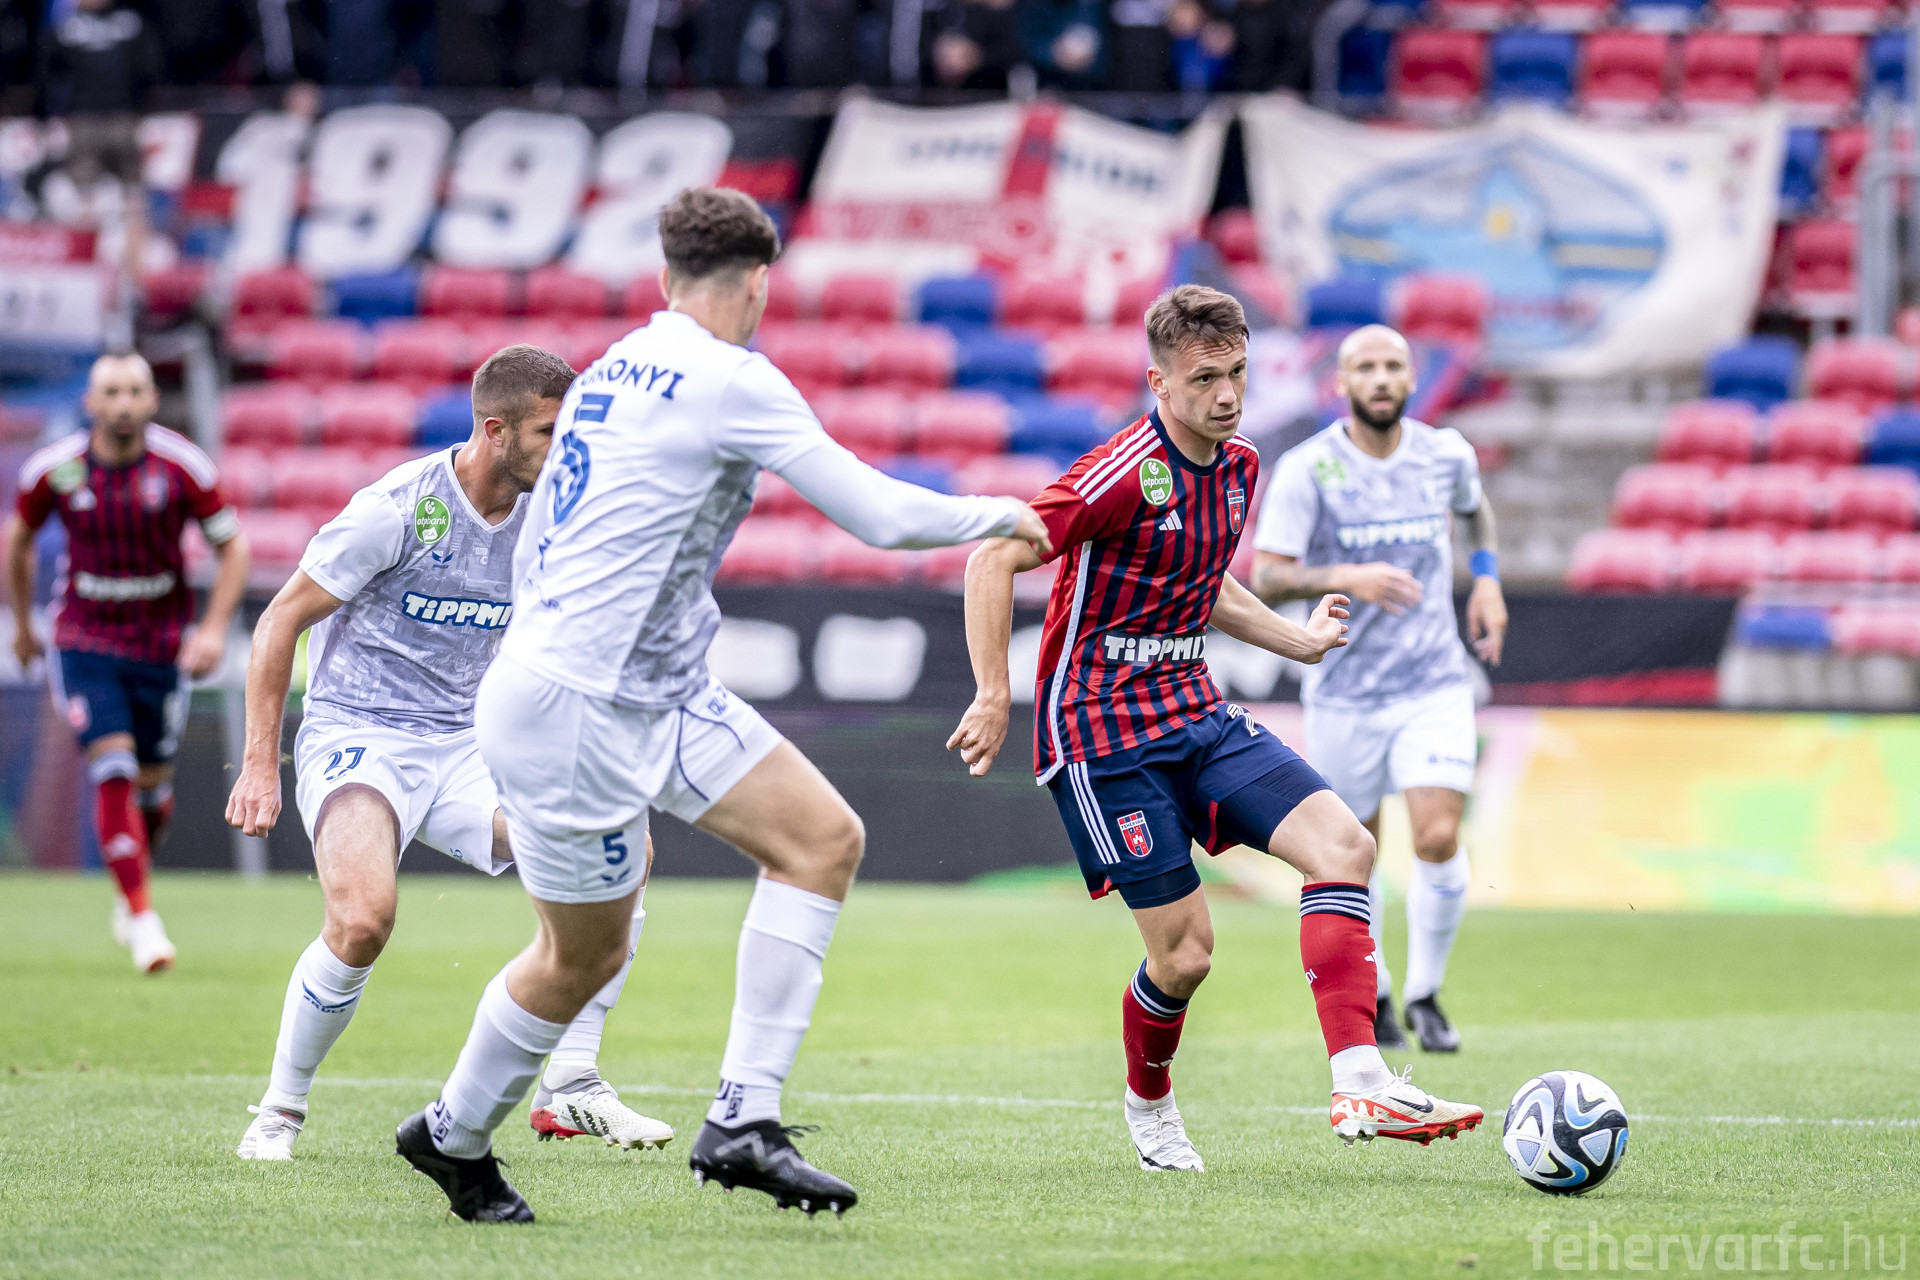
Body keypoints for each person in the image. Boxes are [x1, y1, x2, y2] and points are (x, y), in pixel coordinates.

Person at [391, 187, 1052, 1224]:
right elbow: (877, 514)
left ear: (665, 277)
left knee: (821, 840)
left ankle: (744, 1119)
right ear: (758, 284)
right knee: (581, 957)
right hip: (580, 705)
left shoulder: (611, 370)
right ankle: (452, 1133)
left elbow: (547, 535)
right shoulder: (732, 379)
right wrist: (1002, 513)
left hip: (641, 685)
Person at [947, 286, 1483, 1174]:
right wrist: (993, 695)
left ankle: (1362, 1081)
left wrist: (1298, 641)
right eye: (1204, 379)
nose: (1227, 395)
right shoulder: (1121, 472)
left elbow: (1207, 581)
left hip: (1193, 709)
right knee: (1186, 957)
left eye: (1236, 373)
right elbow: (991, 556)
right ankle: (1149, 1105)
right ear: (1159, 382)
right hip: (1101, 734)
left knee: (1344, 846)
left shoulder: (1237, 466)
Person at [225, 345, 672, 1162]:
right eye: (550, 431)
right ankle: (279, 1112)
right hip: (362, 732)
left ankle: (572, 1083)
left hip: (472, 742)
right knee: (362, 921)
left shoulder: (554, 513)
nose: (566, 448)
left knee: (622, 847)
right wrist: (261, 763)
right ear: (496, 431)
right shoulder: (397, 509)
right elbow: (279, 619)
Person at [1249, 324, 1508, 1055]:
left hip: (1432, 682)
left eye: (1394, 365)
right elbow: (1267, 575)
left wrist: (1486, 578)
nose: (1381, 378)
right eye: (1365, 367)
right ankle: (1383, 988)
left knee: (1437, 834)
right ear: (1341, 384)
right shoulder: (1308, 469)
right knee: (1354, 850)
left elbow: (1475, 509)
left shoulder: (1444, 454)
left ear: (1411, 379)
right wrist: (1346, 577)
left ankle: (1426, 992)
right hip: (1344, 692)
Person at [6, 352, 251, 974]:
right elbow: (19, 539)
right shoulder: (55, 471)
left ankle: (129, 884)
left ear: (151, 401)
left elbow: (233, 547)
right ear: (90, 403)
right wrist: (26, 626)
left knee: (151, 792)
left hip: (161, 646)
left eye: (134, 391)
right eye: (111, 392)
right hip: (83, 640)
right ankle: (143, 919)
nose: (122, 403)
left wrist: (212, 630)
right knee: (111, 765)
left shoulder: (183, 468)